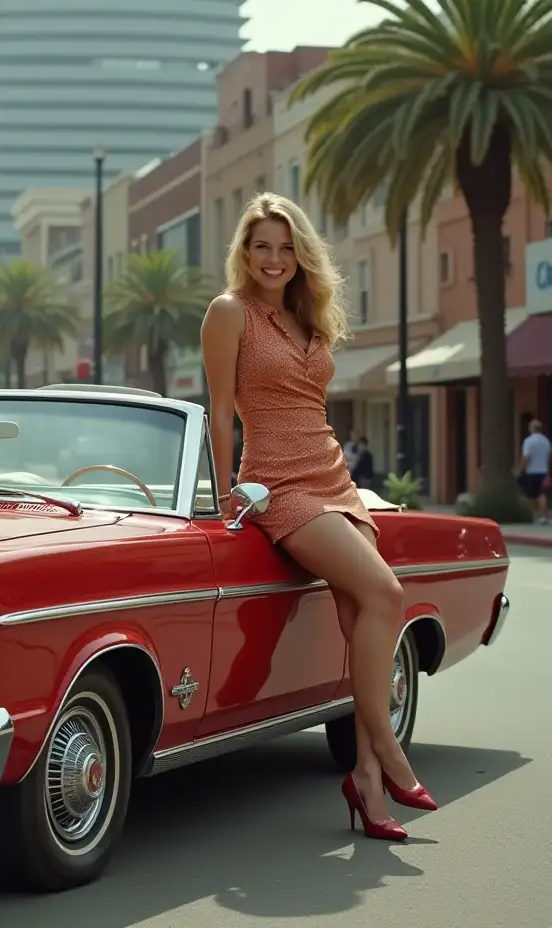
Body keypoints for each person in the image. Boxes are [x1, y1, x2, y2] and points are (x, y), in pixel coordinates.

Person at [201, 192, 435, 843]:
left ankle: (365, 782)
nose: (274, 259)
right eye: (261, 246)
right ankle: (388, 749)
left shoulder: (312, 317)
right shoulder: (229, 313)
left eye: (285, 247)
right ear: (245, 254)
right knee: (386, 592)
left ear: (301, 254)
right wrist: (228, 492)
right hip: (279, 484)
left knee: (364, 615)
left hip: (336, 477)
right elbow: (221, 409)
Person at [516, 419, 550, 524]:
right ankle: (543, 516)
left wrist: (520, 470)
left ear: (532, 429)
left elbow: (526, 457)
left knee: (530, 495)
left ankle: (535, 515)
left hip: (531, 472)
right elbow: (549, 457)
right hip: (543, 471)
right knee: (542, 495)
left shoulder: (529, 441)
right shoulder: (546, 441)